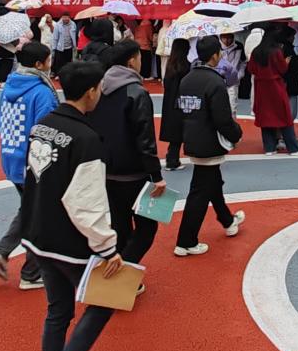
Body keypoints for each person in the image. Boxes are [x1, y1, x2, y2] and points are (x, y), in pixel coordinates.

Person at [21, 60, 121, 351]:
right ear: (91, 92)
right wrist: (107, 247)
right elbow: (86, 201)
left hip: (38, 234)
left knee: (58, 310)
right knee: (104, 301)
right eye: (100, 88)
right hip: (69, 241)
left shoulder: (43, 126)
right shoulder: (86, 139)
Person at [87, 40, 165, 277]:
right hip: (134, 173)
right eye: (139, 57)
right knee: (147, 228)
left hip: (107, 171)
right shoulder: (136, 92)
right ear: (132, 61)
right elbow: (145, 139)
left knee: (120, 225)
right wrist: (157, 175)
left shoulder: (99, 89)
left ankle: (116, 274)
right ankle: (121, 276)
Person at [0, 41, 58, 289]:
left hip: (11, 156)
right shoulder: (42, 92)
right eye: (48, 60)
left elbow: (0, 123)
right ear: (39, 64)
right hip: (33, 161)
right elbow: (46, 131)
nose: (50, 64)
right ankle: (30, 272)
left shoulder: (10, 85)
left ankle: (4, 252)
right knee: (39, 216)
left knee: (30, 211)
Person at [174, 36, 245, 256]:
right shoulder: (215, 82)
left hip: (192, 139)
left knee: (212, 183)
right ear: (216, 55)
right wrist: (236, 134)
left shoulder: (187, 79)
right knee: (200, 192)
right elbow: (222, 119)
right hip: (210, 143)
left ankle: (228, 220)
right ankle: (186, 241)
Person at [247, 30, 298, 155]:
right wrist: (286, 62)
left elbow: (251, 69)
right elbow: (282, 69)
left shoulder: (256, 51)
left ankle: (269, 147)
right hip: (275, 86)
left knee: (265, 117)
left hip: (261, 87)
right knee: (284, 116)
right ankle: (293, 148)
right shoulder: (276, 52)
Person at [161, 38, 191, 172]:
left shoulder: (170, 66)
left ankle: (172, 158)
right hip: (182, 102)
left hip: (169, 102)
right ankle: (172, 160)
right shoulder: (186, 66)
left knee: (174, 133)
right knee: (179, 133)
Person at [217, 32, 246, 116]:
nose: (226, 40)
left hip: (234, 79)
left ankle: (232, 121)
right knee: (219, 105)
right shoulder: (216, 46)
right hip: (219, 79)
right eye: (224, 38)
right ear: (220, 37)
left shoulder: (239, 46)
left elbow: (243, 62)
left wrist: (240, 74)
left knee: (232, 105)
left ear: (233, 37)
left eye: (229, 38)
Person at [51, 12, 77, 76]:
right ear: (62, 18)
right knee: (59, 63)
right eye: (64, 17)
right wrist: (54, 48)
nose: (65, 19)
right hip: (60, 48)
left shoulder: (73, 24)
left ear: (69, 18)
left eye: (67, 17)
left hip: (69, 47)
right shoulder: (58, 25)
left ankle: (67, 74)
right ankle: (58, 75)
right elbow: (55, 37)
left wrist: (75, 46)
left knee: (68, 62)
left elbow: (75, 35)